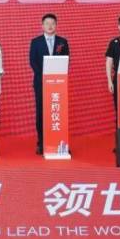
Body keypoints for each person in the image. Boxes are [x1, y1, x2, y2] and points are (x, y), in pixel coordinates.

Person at [29, 13, 70, 155]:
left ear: (56, 25)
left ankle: (60, 142)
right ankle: (41, 142)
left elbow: (66, 60)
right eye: (47, 23)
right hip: (41, 83)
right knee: (41, 112)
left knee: (58, 111)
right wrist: (44, 77)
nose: (50, 26)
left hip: (58, 83)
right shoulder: (36, 42)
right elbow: (33, 62)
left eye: (52, 23)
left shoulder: (63, 42)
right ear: (42, 26)